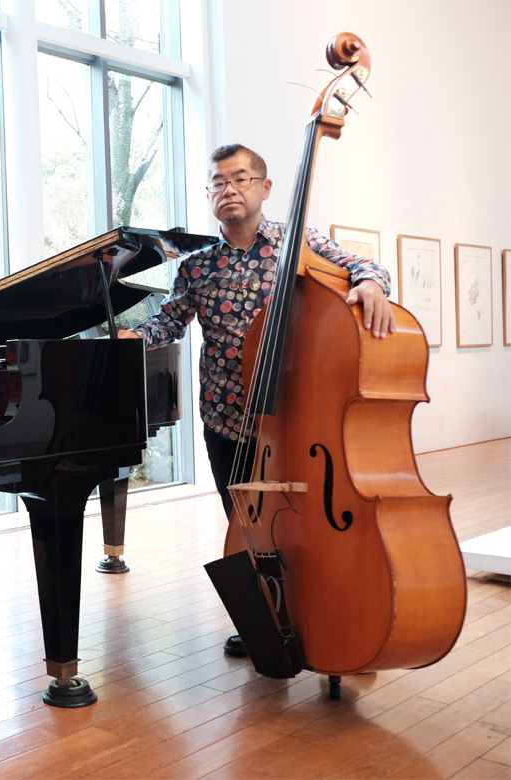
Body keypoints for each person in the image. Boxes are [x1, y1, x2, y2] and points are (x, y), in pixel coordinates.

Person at [119, 144, 396, 658]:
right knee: (246, 528)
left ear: (265, 188)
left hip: (296, 419)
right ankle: (267, 622)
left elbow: (364, 265)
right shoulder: (196, 267)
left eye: (240, 178)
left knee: (306, 524)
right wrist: (134, 337)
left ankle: (321, 615)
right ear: (209, 194)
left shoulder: (299, 244)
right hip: (227, 418)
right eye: (218, 182)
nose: (229, 189)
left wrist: (372, 284)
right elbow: (169, 322)